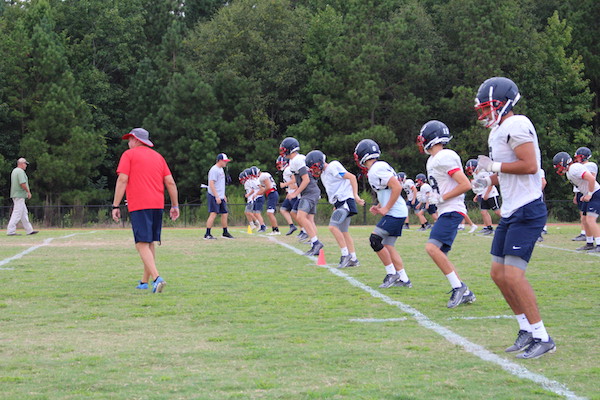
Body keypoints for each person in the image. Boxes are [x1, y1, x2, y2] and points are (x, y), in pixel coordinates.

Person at [473, 76, 555, 359]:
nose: (484, 113)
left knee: (513, 275)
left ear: (505, 103)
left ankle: (543, 337)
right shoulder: (497, 130)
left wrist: (494, 165)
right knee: (498, 274)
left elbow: (530, 165)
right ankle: (526, 329)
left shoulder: (517, 123)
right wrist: (487, 180)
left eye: (488, 106)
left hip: (527, 208)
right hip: (510, 209)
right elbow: (507, 169)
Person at [416, 120, 476, 308]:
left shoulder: (444, 156)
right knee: (439, 252)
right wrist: (432, 196)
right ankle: (464, 292)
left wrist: (442, 198)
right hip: (445, 210)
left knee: (432, 248)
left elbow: (465, 184)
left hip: (452, 209)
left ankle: (459, 287)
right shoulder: (433, 159)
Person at [112, 128, 179, 293]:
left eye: (129, 139)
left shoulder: (129, 155)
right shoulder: (158, 157)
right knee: (149, 243)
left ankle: (157, 278)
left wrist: (115, 205)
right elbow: (170, 182)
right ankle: (144, 281)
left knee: (141, 244)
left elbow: (122, 179)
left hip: (140, 204)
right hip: (157, 205)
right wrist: (175, 205)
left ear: (135, 139)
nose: (128, 143)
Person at [354, 139, 412, 288]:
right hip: (397, 211)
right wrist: (380, 205)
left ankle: (391, 273)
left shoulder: (377, 168)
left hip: (395, 212)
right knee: (388, 246)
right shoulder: (378, 167)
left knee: (375, 240)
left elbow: (397, 188)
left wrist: (386, 209)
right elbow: (388, 190)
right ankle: (404, 279)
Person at [306, 150, 366, 268]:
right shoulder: (324, 174)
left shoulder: (333, 166)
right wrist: (335, 204)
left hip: (345, 202)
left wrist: (356, 196)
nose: (313, 171)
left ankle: (345, 255)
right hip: (340, 203)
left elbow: (352, 177)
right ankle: (353, 258)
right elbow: (336, 188)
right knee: (344, 231)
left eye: (314, 168)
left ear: (319, 163)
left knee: (333, 227)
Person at [279, 137, 324, 256]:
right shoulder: (297, 160)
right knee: (309, 219)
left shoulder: (297, 160)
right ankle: (314, 244)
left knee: (300, 216)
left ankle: (316, 243)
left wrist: (295, 193)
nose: (283, 152)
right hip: (312, 191)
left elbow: (306, 179)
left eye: (284, 149)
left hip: (309, 192)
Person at [553, 152, 600, 253]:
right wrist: (585, 194)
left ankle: (599, 244)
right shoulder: (569, 172)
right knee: (584, 219)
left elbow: (591, 179)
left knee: (590, 220)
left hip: (595, 194)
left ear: (564, 163)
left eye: (559, 166)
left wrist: (590, 194)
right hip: (589, 194)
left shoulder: (574, 168)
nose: (559, 169)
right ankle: (589, 243)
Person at [465, 158, 501, 235]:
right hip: (483, 194)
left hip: (491, 194)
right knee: (483, 212)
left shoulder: (484, 172)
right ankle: (489, 228)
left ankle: (510, 222)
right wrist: (477, 195)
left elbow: (491, 183)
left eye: (470, 169)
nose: (470, 171)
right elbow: (480, 186)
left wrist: (487, 194)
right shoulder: (475, 174)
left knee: (497, 211)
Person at [570, 147, 598, 244]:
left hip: (591, 192)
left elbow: (590, 179)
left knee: (589, 218)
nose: (577, 159)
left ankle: (593, 239)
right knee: (584, 217)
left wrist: (588, 193)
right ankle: (588, 240)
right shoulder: (577, 167)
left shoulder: (590, 165)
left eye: (579, 157)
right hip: (583, 192)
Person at [204, 153, 234, 240]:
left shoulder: (221, 169)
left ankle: (225, 232)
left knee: (225, 213)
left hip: (220, 195)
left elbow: (219, 184)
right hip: (214, 195)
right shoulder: (214, 170)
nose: (226, 163)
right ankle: (207, 234)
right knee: (213, 213)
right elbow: (211, 184)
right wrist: (217, 196)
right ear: (220, 160)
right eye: (224, 161)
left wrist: (223, 195)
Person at [7, 158, 39, 236]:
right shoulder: (20, 172)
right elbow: (22, 183)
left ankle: (29, 230)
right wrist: (28, 192)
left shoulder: (14, 171)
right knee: (17, 213)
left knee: (24, 213)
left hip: (16, 194)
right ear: (21, 164)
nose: (26, 166)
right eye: (25, 164)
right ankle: (10, 230)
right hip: (19, 195)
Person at [276, 156, 300, 236]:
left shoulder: (288, 169)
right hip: (291, 193)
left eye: (280, 164)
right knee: (283, 209)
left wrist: (284, 185)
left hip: (294, 193)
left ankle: (304, 230)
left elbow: (295, 180)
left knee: (296, 213)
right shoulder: (287, 170)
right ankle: (292, 226)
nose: (279, 166)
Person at [256, 167, 281, 235]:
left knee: (270, 213)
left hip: (272, 193)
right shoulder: (264, 175)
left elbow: (269, 186)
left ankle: (276, 230)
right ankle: (275, 229)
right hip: (271, 194)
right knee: (269, 213)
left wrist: (262, 192)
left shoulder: (263, 176)